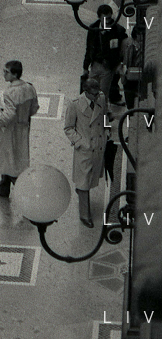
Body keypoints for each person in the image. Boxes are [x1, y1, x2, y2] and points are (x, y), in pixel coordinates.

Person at [64, 77, 109, 227]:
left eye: (97, 93)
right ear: (86, 92)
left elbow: (104, 116)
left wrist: (107, 131)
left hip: (98, 146)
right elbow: (68, 128)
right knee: (83, 182)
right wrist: (80, 142)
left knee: (90, 178)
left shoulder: (101, 98)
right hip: (85, 149)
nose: (96, 97)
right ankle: (85, 215)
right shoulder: (75, 104)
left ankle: (82, 193)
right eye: (93, 94)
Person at [0, 61, 39, 198]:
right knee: (18, 157)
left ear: (15, 74)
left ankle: (18, 191)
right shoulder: (30, 88)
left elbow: (8, 115)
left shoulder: (8, 93)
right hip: (23, 128)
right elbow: (34, 108)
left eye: (7, 72)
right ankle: (3, 186)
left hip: (9, 131)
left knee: (8, 158)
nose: (4, 74)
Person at [83, 4, 125, 104]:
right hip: (95, 65)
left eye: (109, 18)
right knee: (90, 91)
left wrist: (119, 63)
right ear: (99, 17)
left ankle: (102, 110)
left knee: (102, 94)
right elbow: (89, 48)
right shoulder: (93, 28)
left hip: (108, 67)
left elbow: (123, 48)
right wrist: (85, 67)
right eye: (105, 19)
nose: (108, 21)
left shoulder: (117, 30)